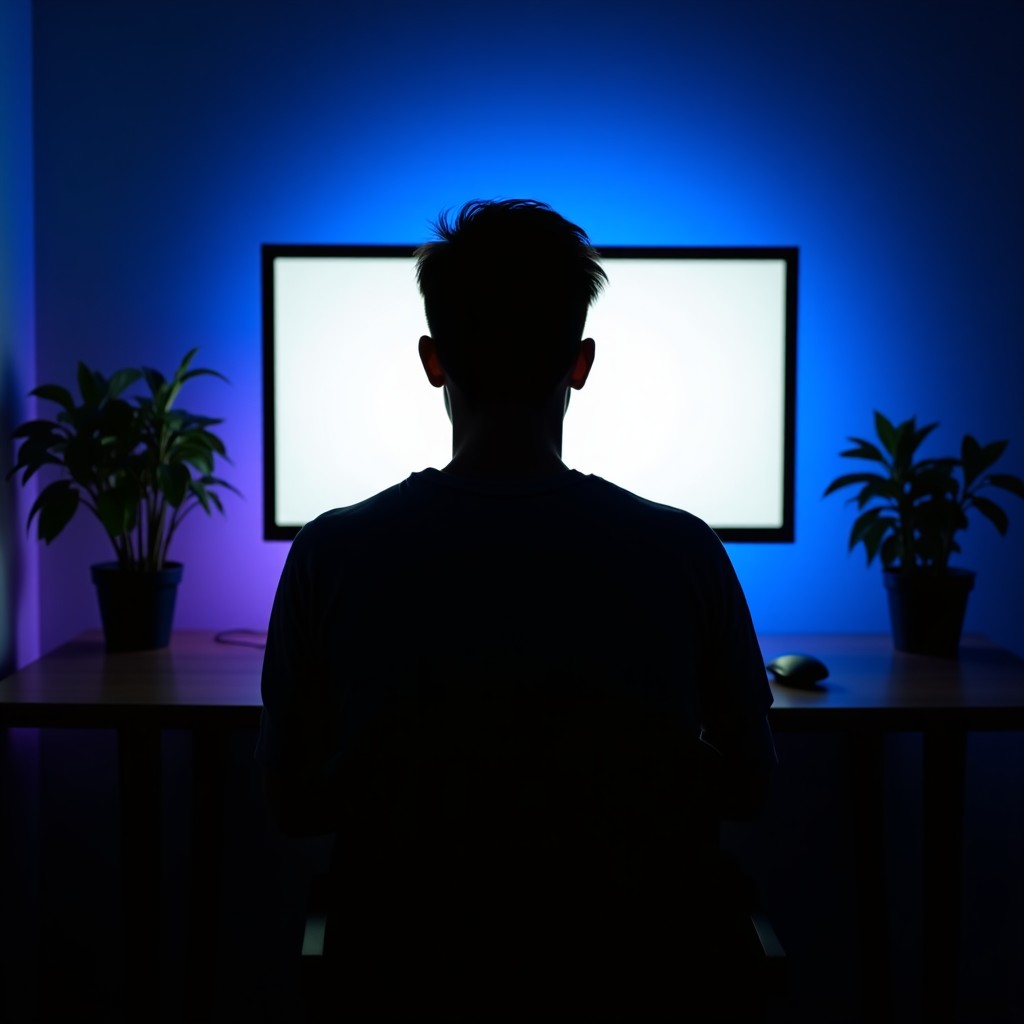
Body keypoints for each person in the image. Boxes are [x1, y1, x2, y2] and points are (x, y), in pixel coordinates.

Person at [257, 199, 777, 1020]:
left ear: (433, 361)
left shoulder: (332, 554)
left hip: (403, 978)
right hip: (633, 980)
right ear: (580, 362)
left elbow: (291, 804)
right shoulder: (685, 554)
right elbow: (750, 787)